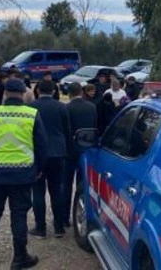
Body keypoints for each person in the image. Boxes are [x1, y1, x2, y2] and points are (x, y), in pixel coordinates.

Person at [0, 78, 47, 269]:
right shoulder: (32, 114)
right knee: (19, 215)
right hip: (22, 175)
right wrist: (38, 169)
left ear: (5, 93)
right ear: (23, 94)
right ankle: (20, 257)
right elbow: (41, 146)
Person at [28, 80, 70, 239]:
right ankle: (59, 227)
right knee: (57, 190)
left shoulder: (31, 107)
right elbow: (67, 130)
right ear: (53, 91)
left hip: (38, 153)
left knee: (38, 191)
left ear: (38, 90)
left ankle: (40, 228)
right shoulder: (61, 107)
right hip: (58, 152)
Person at [63, 82, 97, 227]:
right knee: (83, 185)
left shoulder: (67, 108)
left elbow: (65, 130)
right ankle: (82, 215)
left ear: (69, 94)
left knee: (66, 185)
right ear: (81, 92)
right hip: (86, 148)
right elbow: (94, 126)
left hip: (70, 150)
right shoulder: (92, 107)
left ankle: (64, 218)